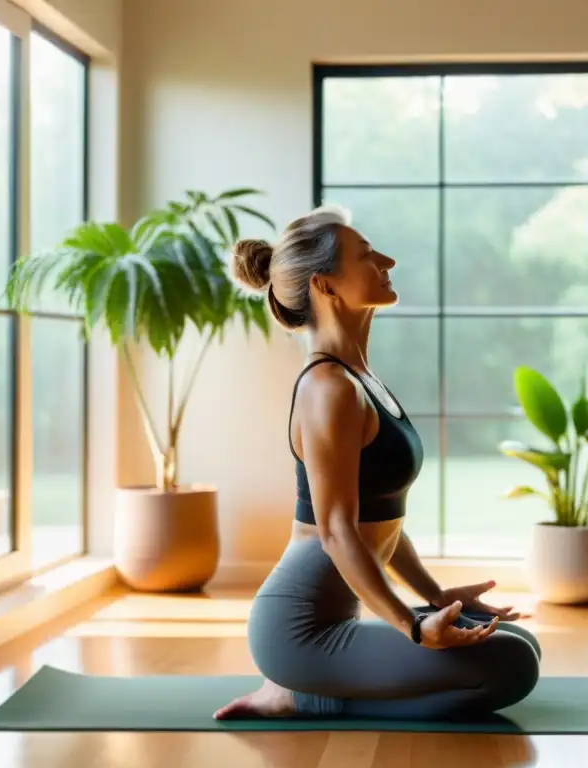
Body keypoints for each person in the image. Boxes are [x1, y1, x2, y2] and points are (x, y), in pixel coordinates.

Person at [213, 205, 541, 721]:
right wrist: (413, 626)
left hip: (332, 621)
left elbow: (378, 522)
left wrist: (434, 596)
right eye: (366, 255)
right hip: (299, 633)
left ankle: (305, 690)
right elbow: (338, 531)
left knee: (518, 641)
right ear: (326, 287)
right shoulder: (328, 389)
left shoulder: (359, 379)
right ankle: (296, 694)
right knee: (513, 665)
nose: (386, 261)